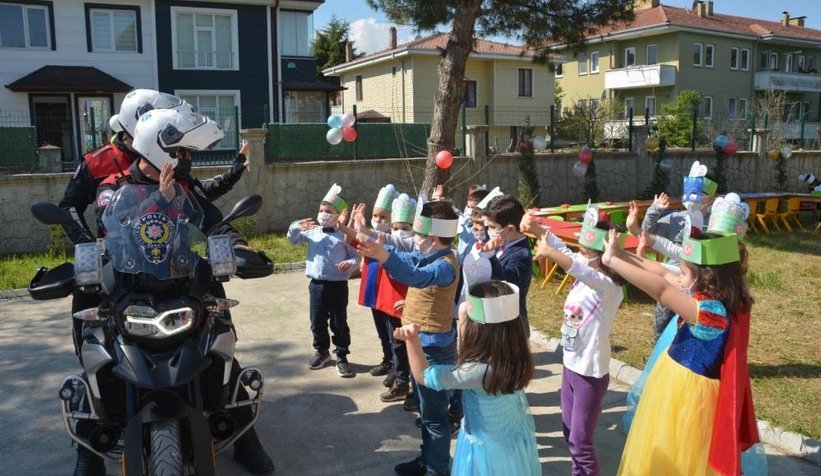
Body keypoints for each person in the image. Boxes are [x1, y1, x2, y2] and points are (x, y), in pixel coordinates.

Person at [78, 109, 274, 476]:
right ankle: (89, 450)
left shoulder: (187, 187)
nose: (188, 159)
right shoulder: (113, 185)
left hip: (185, 284)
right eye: (183, 152)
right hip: (130, 289)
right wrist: (160, 199)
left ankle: (245, 440)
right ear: (160, 152)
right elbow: (114, 224)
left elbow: (214, 221)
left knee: (223, 349)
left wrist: (238, 247)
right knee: (98, 355)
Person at [602, 220, 761, 475]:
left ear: (706, 278)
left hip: (689, 398)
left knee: (678, 459)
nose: (679, 276)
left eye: (685, 272)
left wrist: (612, 261)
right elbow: (663, 273)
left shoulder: (711, 313)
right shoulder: (711, 296)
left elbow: (663, 289)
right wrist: (622, 254)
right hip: (676, 387)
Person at [357, 197, 460, 476]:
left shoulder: (446, 265)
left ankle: (437, 469)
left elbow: (416, 277)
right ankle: (427, 460)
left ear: (434, 235)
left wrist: (383, 256)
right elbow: (406, 259)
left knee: (436, 417)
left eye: (418, 234)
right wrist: (376, 245)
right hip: (421, 346)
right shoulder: (432, 254)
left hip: (433, 349)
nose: (414, 239)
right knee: (426, 414)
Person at [393, 280, 539, 476]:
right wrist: (465, 313)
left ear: (477, 332)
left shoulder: (476, 371)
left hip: (484, 452)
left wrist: (411, 339)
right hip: (512, 442)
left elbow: (425, 377)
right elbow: (468, 345)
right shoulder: (516, 357)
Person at [522, 205, 625, 476]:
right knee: (569, 432)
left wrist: (551, 253)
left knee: (580, 441)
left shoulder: (608, 285)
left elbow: (579, 268)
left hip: (590, 371)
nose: (580, 248)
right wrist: (537, 230)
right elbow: (570, 256)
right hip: (571, 363)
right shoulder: (585, 267)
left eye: (587, 244)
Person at [287, 183, 359, 378]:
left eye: (328, 211)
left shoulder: (345, 235)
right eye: (321, 210)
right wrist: (296, 226)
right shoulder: (313, 231)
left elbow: (356, 257)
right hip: (316, 286)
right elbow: (292, 239)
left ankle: (342, 355)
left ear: (338, 215)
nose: (323, 214)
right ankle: (322, 351)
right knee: (316, 321)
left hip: (338, 286)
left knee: (339, 322)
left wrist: (349, 263)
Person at [482, 194, 533, 333]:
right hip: (494, 318)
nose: (488, 231)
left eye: (492, 227)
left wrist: (490, 255)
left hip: (510, 327)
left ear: (510, 229)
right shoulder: (503, 241)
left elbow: (505, 282)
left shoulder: (521, 255)